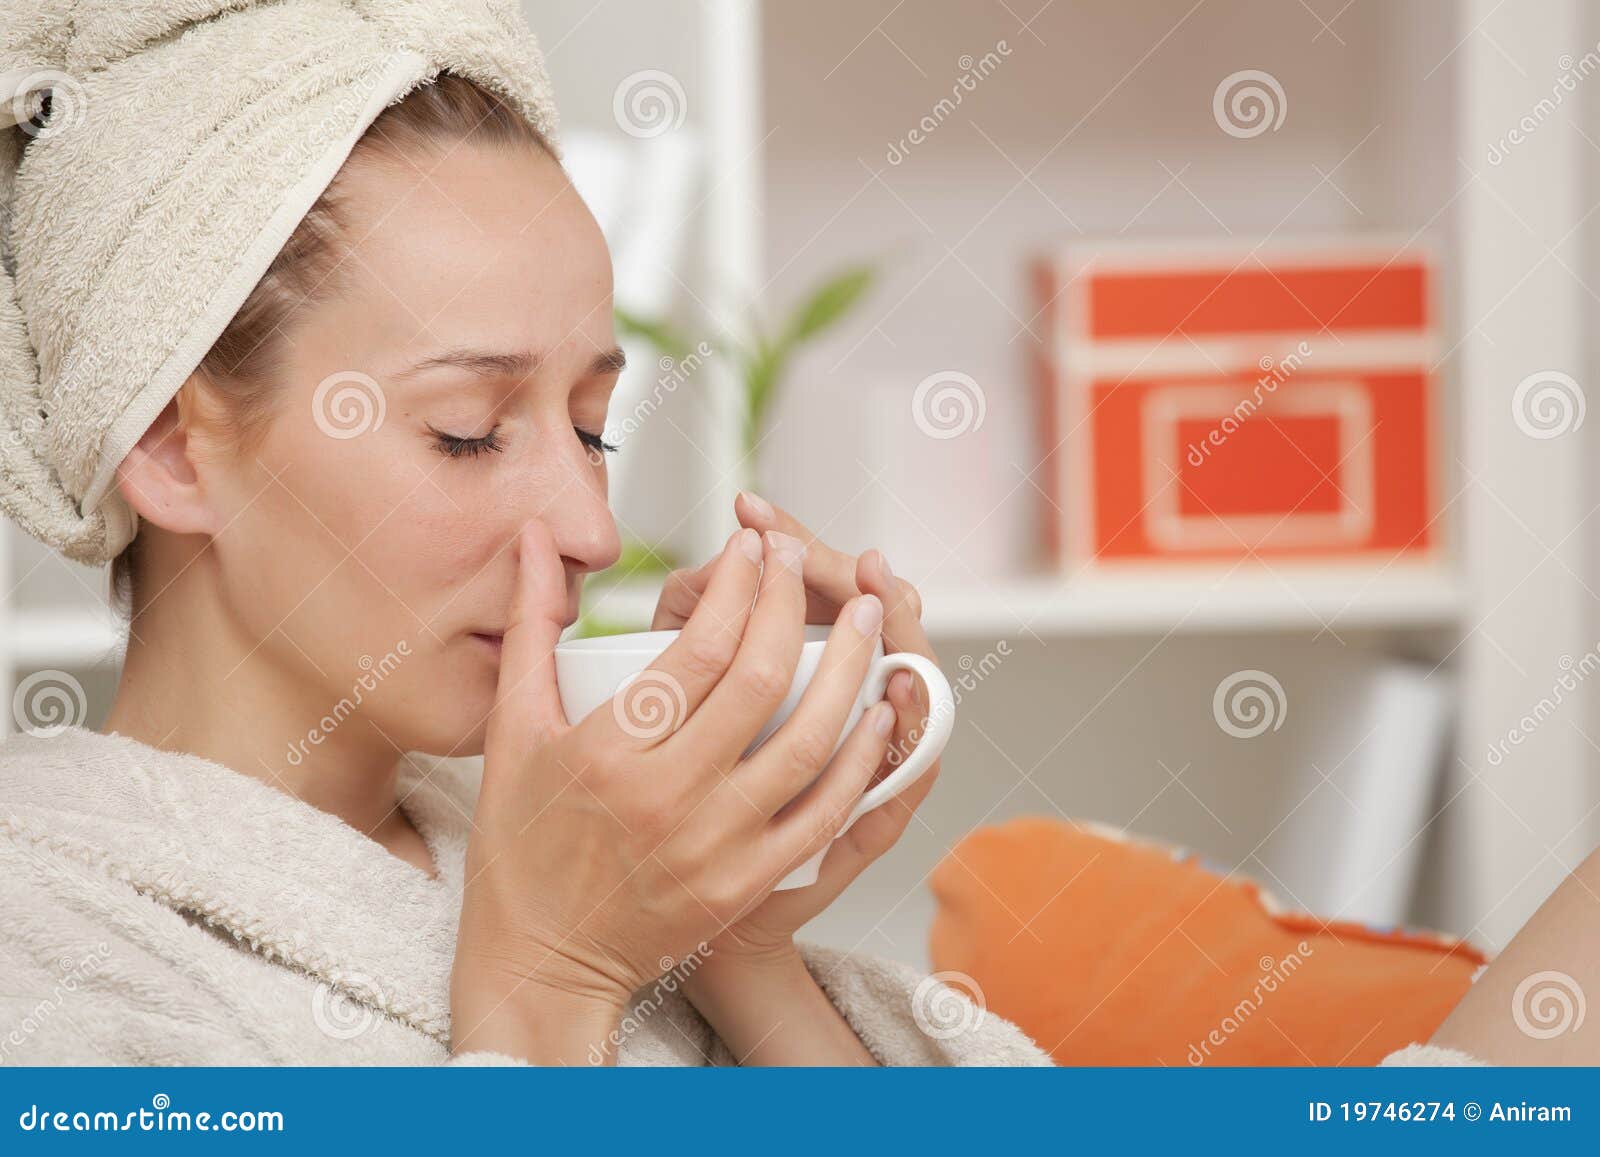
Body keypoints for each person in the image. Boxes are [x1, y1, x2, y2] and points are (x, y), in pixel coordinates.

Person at [0, 2, 1049, 1066]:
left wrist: (727, 944)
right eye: (466, 432)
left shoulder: (581, 861)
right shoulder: (42, 956)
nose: (593, 530)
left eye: (592, 430)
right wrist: (549, 981)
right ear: (174, 446)